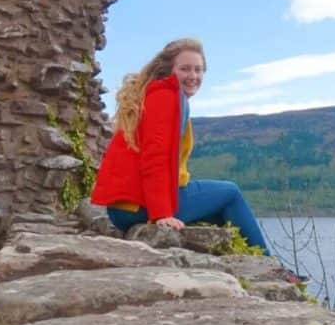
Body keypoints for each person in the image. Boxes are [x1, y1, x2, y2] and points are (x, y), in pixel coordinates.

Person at [91, 37, 274, 255]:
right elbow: (154, 156)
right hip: (136, 206)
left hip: (127, 206)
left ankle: (245, 261)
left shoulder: (158, 94)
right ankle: (271, 266)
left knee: (223, 209)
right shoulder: (166, 97)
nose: (193, 76)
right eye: (185, 69)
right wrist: (162, 214)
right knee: (230, 193)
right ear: (169, 70)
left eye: (198, 70)